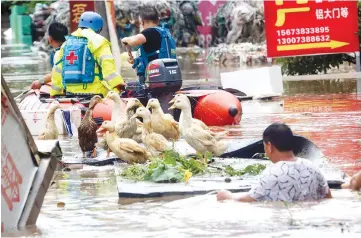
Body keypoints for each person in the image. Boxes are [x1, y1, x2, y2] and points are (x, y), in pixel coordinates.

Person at [217, 123, 332, 202]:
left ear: (269, 146)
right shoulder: (312, 167)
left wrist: (227, 196)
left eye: (264, 146)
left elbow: (248, 200)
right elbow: (328, 196)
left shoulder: (272, 174)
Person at [50, 11, 125, 97]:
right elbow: (108, 70)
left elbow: (57, 71)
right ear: (99, 28)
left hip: (71, 94)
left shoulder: (66, 44)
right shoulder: (100, 41)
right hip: (97, 93)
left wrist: (55, 94)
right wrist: (119, 85)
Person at [121, 5, 176, 85]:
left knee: (127, 87)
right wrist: (136, 60)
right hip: (170, 79)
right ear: (158, 20)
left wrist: (125, 39)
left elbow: (135, 41)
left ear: (142, 21)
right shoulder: (165, 33)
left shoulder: (149, 32)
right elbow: (151, 54)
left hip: (154, 81)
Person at [31, 22, 68, 90]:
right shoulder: (76, 50)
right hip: (81, 88)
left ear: (50, 39)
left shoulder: (55, 54)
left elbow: (55, 74)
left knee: (46, 86)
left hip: (63, 90)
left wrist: (40, 82)